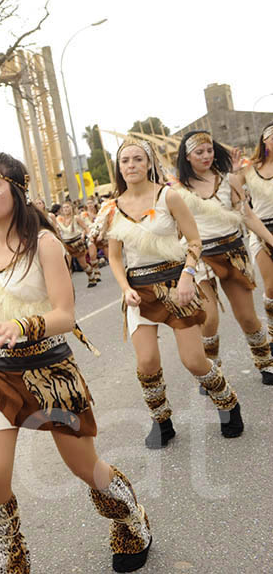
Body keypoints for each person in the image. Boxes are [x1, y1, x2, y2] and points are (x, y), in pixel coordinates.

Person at [0, 152, 151, 573]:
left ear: (17, 189)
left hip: (48, 372)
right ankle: (12, 561)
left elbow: (64, 315)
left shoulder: (44, 243)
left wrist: (23, 325)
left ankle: (131, 519)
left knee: (86, 469)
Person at [97, 139, 242, 448]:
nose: (132, 165)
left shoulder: (168, 196)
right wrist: (124, 289)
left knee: (193, 361)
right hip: (138, 289)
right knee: (147, 361)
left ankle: (228, 402)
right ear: (119, 167)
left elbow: (194, 241)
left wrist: (188, 276)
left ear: (149, 163)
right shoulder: (113, 208)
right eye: (125, 161)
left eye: (138, 159)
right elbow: (114, 257)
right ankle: (161, 421)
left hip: (177, 285)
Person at [173, 131, 273, 385]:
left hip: (233, 251)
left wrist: (270, 240)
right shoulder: (177, 189)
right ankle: (212, 369)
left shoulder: (228, 180)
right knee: (209, 319)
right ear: (187, 156)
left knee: (248, 317)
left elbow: (248, 216)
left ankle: (265, 362)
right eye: (199, 152)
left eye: (209, 151)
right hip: (199, 257)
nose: (206, 156)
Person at [239, 122, 273, 345]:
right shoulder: (250, 167)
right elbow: (230, 190)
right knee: (271, 287)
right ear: (264, 140)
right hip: (261, 229)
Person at [56, 201, 101, 288]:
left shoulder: (76, 218)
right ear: (61, 210)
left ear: (71, 208)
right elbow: (57, 232)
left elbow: (85, 227)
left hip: (77, 243)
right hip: (66, 244)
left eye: (68, 207)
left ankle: (91, 275)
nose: (66, 209)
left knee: (83, 265)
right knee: (66, 265)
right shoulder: (59, 220)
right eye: (64, 207)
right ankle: (67, 286)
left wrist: (89, 236)